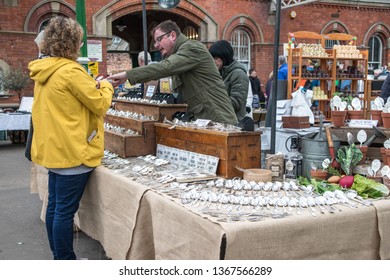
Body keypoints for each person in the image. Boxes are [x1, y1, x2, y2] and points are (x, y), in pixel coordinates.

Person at [28, 16, 114, 260]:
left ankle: (59, 256)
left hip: (54, 150)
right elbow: (99, 104)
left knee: (55, 208)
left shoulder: (43, 70)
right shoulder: (70, 71)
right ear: (73, 43)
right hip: (74, 152)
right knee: (64, 212)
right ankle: (65, 261)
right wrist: (106, 86)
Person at [108, 20, 237, 125]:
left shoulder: (191, 48)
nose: (156, 45)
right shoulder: (179, 54)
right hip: (205, 119)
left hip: (218, 119)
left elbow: (165, 67)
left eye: (159, 39)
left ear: (173, 35)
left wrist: (127, 75)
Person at [208, 40, 249, 122]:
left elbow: (236, 103)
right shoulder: (219, 74)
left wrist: (212, 104)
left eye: (216, 58)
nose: (213, 62)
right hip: (221, 121)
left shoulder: (238, 73)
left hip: (233, 122)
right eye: (211, 58)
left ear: (225, 57)